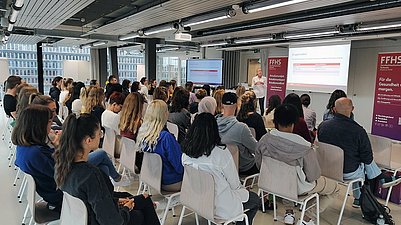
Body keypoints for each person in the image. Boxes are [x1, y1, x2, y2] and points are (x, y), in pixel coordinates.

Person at [12, 105, 127, 213]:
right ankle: (110, 195)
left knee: (102, 167)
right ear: (38, 125)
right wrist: (59, 146)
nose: (51, 123)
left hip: (54, 192)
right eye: (48, 121)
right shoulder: (36, 153)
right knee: (101, 158)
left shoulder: (25, 148)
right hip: (64, 196)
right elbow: (63, 172)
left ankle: (107, 198)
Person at [54, 113, 160, 225]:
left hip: (83, 218)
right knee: (141, 213)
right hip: (100, 220)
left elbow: (92, 200)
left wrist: (115, 202)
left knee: (144, 199)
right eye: (99, 133)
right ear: (88, 140)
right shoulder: (91, 175)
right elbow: (112, 221)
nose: (101, 136)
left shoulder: (62, 165)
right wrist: (126, 209)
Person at [255, 104, 339, 225]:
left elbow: (259, 164)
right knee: (335, 188)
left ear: (275, 121)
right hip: (297, 188)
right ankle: (307, 218)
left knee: (285, 178)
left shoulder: (264, 140)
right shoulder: (304, 146)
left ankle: (289, 213)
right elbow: (313, 176)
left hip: (270, 183)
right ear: (294, 122)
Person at [318, 97, 401, 207]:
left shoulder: (322, 126)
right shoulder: (358, 130)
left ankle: (380, 178)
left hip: (325, 169)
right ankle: (361, 196)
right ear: (353, 109)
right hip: (347, 172)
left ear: (334, 109)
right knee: (364, 163)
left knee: (359, 160)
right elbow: (367, 158)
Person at [182, 113, 260, 225]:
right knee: (255, 200)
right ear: (214, 130)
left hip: (197, 200)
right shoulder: (220, 154)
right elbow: (235, 185)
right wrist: (244, 192)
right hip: (220, 206)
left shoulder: (186, 154)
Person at [137, 100, 183, 192]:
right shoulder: (166, 138)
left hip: (153, 179)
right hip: (171, 182)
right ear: (164, 114)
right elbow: (179, 166)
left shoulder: (143, 135)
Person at [216, 92, 258, 175]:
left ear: (222, 105)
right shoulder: (241, 128)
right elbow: (256, 148)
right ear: (237, 106)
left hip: (221, 167)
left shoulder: (212, 124)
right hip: (244, 167)